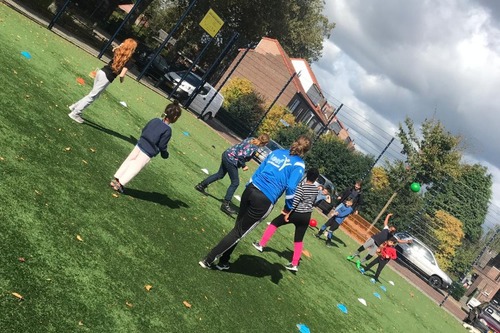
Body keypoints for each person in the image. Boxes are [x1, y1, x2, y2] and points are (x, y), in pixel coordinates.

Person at [198, 135, 312, 271]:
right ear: (306, 151)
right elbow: (292, 187)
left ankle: (224, 261)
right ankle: (209, 259)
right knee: (239, 231)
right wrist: (288, 207)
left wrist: (250, 184)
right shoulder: (299, 164)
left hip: (251, 190)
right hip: (265, 199)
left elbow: (260, 169)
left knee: (238, 228)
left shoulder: (276, 153)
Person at [251, 168, 320, 272]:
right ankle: (295, 264)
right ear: (316, 179)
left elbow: (295, 201)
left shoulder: (302, 186)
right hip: (306, 216)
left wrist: (288, 213)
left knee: (274, 223)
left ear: (307, 175)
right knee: (299, 239)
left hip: (296, 213)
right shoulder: (316, 190)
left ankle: (261, 244)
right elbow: (313, 202)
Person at [109, 101, 182, 193]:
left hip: (140, 144)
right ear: (175, 117)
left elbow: (144, 129)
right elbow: (162, 145)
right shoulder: (167, 130)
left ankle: (116, 179)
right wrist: (164, 153)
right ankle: (121, 183)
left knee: (129, 160)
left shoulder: (155, 120)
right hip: (148, 151)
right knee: (135, 167)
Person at [195, 134, 270, 215]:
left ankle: (201, 186)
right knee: (235, 183)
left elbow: (241, 148)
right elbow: (241, 156)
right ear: (265, 143)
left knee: (220, 174)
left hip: (227, 154)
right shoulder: (254, 148)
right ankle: (225, 204)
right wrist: (244, 166)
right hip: (231, 160)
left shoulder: (251, 139)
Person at [68, 38, 138, 123]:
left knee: (93, 95)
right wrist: (122, 80)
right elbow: (122, 75)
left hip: (101, 72)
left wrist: (122, 45)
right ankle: (75, 113)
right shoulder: (130, 61)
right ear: (132, 49)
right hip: (107, 77)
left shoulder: (118, 51)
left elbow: (114, 49)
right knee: (92, 96)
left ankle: (74, 106)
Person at [347, 213, 411, 269]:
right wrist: (388, 215)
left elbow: (399, 241)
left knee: (370, 255)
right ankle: (353, 256)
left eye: (393, 230)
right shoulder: (386, 228)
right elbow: (385, 222)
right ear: (390, 227)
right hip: (373, 239)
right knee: (362, 247)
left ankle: (359, 262)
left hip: (377, 245)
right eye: (392, 228)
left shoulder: (391, 236)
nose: (392, 230)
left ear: (394, 231)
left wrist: (407, 241)